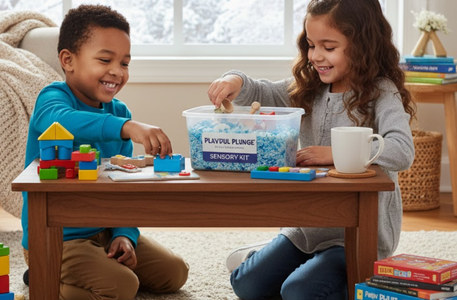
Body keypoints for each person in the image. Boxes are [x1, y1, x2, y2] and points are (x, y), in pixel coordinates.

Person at [207, 0, 416, 299]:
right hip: (307, 227)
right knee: (246, 285)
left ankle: (355, 277)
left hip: (356, 234)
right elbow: (263, 91)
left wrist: (336, 153)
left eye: (328, 47)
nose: (316, 56)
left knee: (299, 292)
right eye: (310, 45)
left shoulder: (381, 93)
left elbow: (401, 151)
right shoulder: (309, 86)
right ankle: (276, 257)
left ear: (362, 45)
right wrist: (234, 79)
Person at [20, 5, 188, 299]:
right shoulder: (53, 99)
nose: (117, 71)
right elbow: (61, 120)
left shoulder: (119, 112)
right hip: (57, 237)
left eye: (124, 63)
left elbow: (124, 187)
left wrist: (125, 234)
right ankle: (42, 275)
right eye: (105, 60)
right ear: (68, 60)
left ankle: (85, 269)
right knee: (123, 286)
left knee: (173, 273)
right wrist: (127, 127)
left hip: (105, 230)